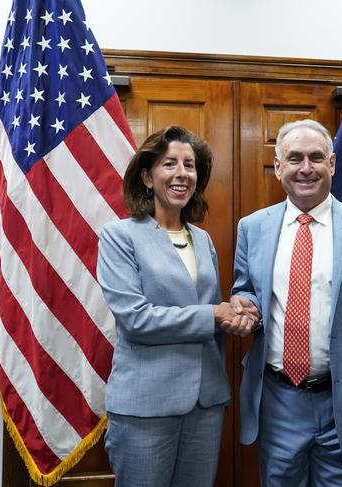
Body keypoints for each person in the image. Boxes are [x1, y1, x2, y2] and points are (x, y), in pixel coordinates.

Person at [230, 119, 342, 486]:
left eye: (316, 157)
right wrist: (244, 303)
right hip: (278, 401)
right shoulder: (252, 227)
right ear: (279, 166)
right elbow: (247, 288)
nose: (306, 168)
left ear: (332, 164)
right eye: (294, 158)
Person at [97, 126, 255, 487]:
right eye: (170, 164)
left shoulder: (202, 239)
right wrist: (214, 314)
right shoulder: (119, 236)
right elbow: (136, 319)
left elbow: (208, 309)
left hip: (206, 403)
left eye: (190, 165)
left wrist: (236, 313)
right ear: (147, 176)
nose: (182, 174)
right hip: (145, 407)